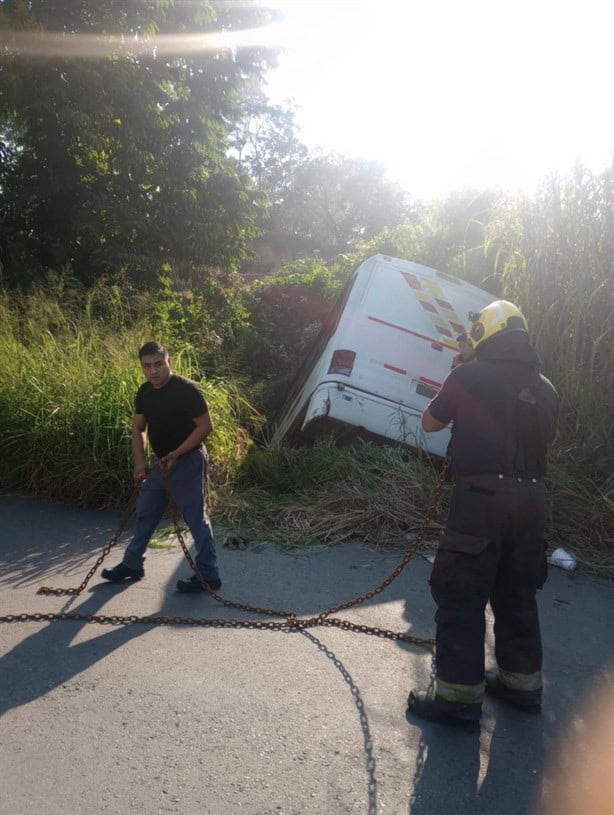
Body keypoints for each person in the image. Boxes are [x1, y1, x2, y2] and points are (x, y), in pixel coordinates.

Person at [406, 301, 559, 730]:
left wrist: (460, 373)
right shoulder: (547, 388)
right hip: (531, 503)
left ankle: (457, 700)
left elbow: (430, 424)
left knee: (461, 594)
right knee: (517, 593)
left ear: (483, 334)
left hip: (481, 500)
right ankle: (521, 687)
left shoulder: (467, 376)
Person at [101, 341, 221, 593]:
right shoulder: (145, 392)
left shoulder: (187, 391)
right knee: (146, 512)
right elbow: (137, 428)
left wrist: (177, 453)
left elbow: (205, 426)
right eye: (147, 366)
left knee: (195, 517)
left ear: (169, 362)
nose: (153, 371)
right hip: (158, 463)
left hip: (188, 460)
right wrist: (140, 462)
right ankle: (133, 564)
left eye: (158, 364)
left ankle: (208, 575)